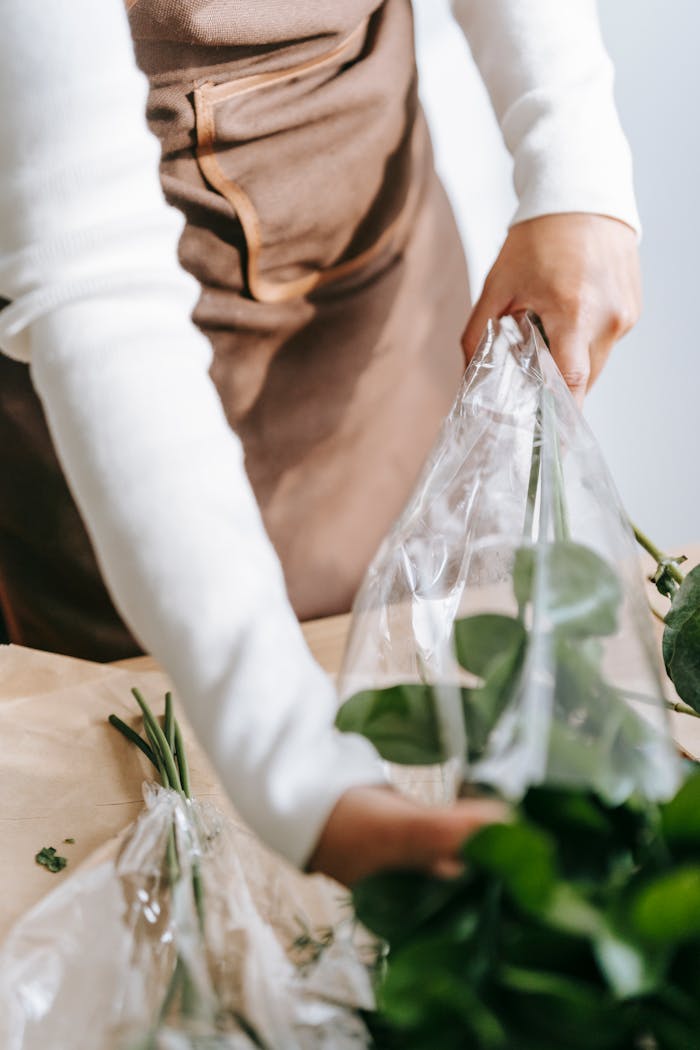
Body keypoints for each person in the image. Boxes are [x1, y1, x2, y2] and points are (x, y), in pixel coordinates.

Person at [0, 0, 640, 885]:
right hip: (114, 414)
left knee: (449, 658)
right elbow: (90, 283)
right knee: (150, 785)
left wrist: (573, 164)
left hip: (380, 301)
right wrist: (302, 786)